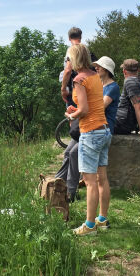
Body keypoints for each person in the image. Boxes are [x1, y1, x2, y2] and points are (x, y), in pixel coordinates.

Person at [65, 43, 111, 234]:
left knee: (90, 181)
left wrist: (71, 115)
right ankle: (102, 219)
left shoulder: (79, 80)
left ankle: (89, 225)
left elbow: (84, 110)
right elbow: (91, 105)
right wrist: (78, 111)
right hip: (104, 130)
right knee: (102, 178)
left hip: (90, 133)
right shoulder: (95, 76)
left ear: (74, 59)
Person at [54, 27, 84, 201]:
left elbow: (67, 70)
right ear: (80, 36)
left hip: (75, 93)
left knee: (75, 135)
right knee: (72, 147)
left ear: (69, 37)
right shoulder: (85, 49)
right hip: (83, 94)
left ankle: (71, 184)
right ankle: (63, 180)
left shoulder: (71, 50)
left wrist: (63, 88)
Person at [112, 59, 140, 138]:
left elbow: (138, 107)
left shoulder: (130, 82)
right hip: (123, 121)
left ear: (124, 71)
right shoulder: (136, 81)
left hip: (122, 123)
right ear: (138, 70)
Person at [94, 56, 120, 132]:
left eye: (99, 66)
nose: (96, 68)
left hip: (104, 127)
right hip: (94, 124)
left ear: (106, 69)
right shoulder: (98, 85)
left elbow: (100, 107)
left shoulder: (113, 87)